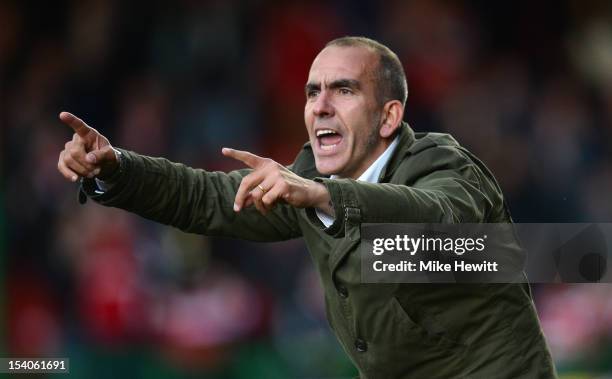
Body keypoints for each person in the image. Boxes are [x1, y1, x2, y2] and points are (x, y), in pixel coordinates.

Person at [57, 37, 557, 378]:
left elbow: (445, 217)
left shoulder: (441, 162)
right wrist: (117, 168)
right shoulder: (312, 177)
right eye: (312, 91)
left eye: (343, 89)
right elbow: (206, 197)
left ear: (389, 117)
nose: (320, 105)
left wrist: (325, 195)